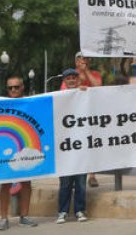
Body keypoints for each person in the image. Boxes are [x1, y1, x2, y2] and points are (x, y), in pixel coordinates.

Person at [0, 75, 39, 230]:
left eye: (16, 87)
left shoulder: (31, 103)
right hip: (6, 150)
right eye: (10, 87)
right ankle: (3, 218)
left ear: (22, 87)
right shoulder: (1, 104)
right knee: (5, 184)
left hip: (26, 147)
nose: (13, 90)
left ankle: (25, 216)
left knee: (26, 183)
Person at [64, 53, 102, 188]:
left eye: (86, 58)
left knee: (91, 144)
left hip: (91, 114)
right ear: (76, 61)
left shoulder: (95, 74)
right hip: (74, 117)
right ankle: (74, 174)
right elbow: (64, 93)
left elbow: (98, 87)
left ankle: (92, 175)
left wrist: (86, 72)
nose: (83, 61)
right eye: (81, 58)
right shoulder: (70, 76)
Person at [56, 69, 89, 223]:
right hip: (65, 148)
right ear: (64, 81)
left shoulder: (85, 94)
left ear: (78, 80)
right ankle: (62, 211)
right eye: (68, 78)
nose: (71, 80)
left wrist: (85, 92)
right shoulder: (57, 97)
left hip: (81, 147)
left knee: (81, 183)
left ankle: (80, 210)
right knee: (65, 183)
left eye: (74, 78)